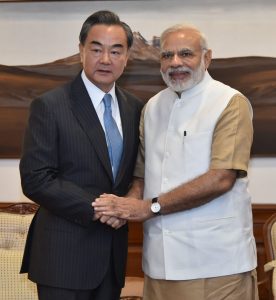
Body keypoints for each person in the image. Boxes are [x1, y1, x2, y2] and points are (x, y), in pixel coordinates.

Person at [92, 24, 259, 300]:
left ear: (207, 58)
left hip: (217, 264)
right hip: (159, 264)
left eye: (186, 54)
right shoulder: (153, 107)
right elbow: (141, 175)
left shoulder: (230, 102)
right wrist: (124, 207)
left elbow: (222, 178)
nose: (175, 63)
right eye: (167, 56)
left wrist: (148, 207)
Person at [19, 10, 143, 300]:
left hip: (112, 258)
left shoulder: (135, 108)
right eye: (96, 49)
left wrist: (128, 204)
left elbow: (133, 173)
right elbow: (36, 178)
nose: (105, 59)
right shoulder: (50, 106)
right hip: (63, 258)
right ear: (81, 51)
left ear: (127, 57)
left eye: (116, 51)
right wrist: (103, 209)